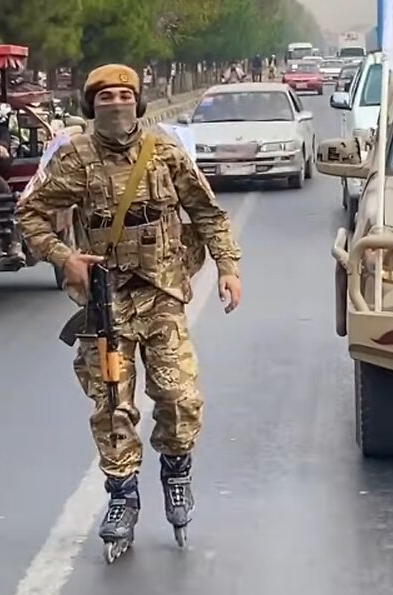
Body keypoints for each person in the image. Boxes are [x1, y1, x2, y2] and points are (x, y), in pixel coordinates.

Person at [17, 64, 242, 558]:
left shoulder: (164, 153)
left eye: (124, 95)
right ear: (90, 105)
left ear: (138, 102)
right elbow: (30, 213)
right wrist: (64, 257)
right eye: (105, 97)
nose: (116, 104)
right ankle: (123, 496)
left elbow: (206, 212)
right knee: (113, 403)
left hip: (162, 294)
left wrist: (228, 266)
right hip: (106, 303)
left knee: (179, 396)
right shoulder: (74, 157)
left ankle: (176, 474)